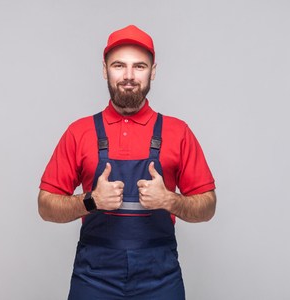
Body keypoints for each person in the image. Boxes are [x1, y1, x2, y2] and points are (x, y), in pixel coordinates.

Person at [38, 25, 216, 300]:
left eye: (140, 66)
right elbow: (46, 206)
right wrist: (91, 201)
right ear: (105, 69)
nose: (129, 76)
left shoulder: (178, 132)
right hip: (94, 277)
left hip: (160, 277)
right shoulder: (79, 132)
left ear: (153, 71)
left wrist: (169, 200)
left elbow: (208, 207)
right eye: (119, 65)